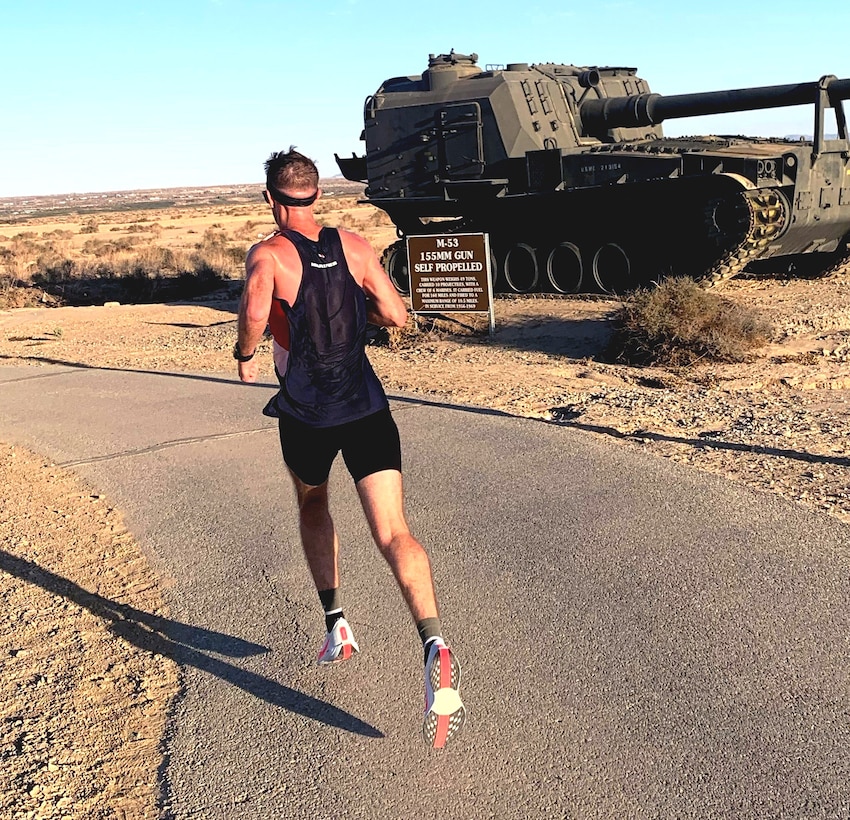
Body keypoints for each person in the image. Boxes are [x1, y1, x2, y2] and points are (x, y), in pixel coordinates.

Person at [235, 148, 465, 748]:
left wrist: (244, 355)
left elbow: (255, 318)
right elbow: (397, 315)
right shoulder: (357, 247)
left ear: (270, 199)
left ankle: (336, 624)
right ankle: (434, 641)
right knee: (394, 532)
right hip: (367, 408)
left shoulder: (268, 255)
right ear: (317, 194)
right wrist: (355, 307)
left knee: (313, 502)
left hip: (307, 414)